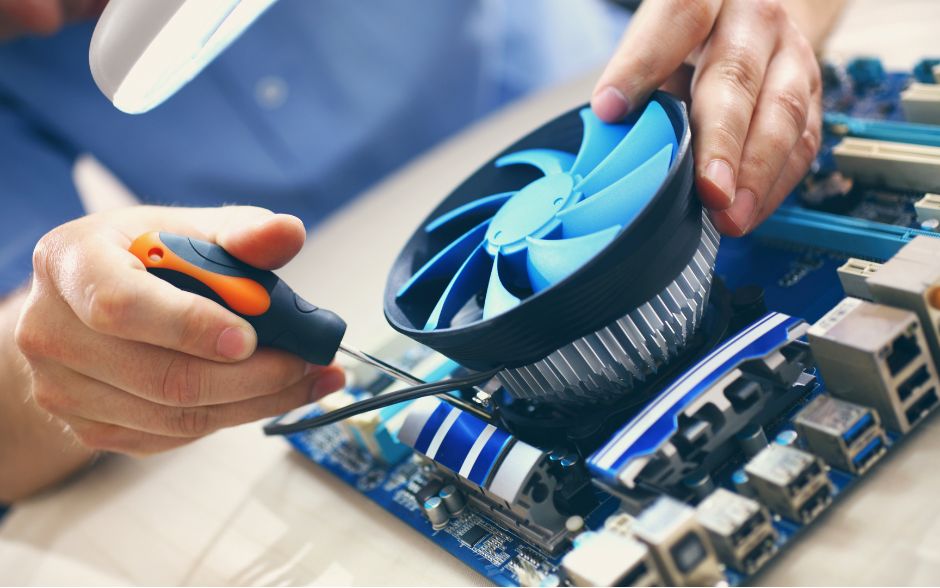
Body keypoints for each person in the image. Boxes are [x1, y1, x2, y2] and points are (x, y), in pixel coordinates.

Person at [0, 0, 845, 502]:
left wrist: (762, 30)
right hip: (418, 299)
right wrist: (75, 331)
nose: (36, 15)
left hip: (659, 125)